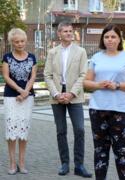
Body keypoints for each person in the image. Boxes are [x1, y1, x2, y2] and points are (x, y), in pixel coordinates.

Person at [84, 24, 125, 180]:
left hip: (120, 110)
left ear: (119, 39)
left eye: (113, 37)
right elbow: (86, 82)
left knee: (121, 151)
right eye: (107, 37)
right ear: (103, 39)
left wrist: (117, 85)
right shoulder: (96, 57)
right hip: (97, 109)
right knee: (100, 151)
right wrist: (98, 85)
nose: (110, 40)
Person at [44, 21, 92, 178]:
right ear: (59, 34)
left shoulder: (81, 51)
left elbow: (83, 75)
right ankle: (65, 163)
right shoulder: (52, 52)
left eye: (71, 31)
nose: (69, 33)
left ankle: (79, 165)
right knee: (61, 131)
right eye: (65, 31)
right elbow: (48, 75)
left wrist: (71, 93)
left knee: (79, 129)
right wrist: (56, 94)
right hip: (57, 94)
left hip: (75, 95)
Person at [2, 28, 37, 175]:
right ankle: (12, 163)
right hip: (11, 97)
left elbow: (32, 77)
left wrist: (25, 93)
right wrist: (19, 90)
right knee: (11, 131)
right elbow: (6, 77)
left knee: (23, 130)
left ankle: (22, 163)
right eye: (16, 42)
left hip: (27, 98)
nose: (20, 44)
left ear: (25, 41)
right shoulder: (7, 57)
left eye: (22, 41)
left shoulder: (32, 57)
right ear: (12, 43)